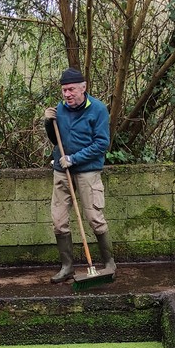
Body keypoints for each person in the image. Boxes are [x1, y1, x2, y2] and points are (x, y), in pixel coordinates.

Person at [42, 67, 115, 282]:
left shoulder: (98, 110)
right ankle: (67, 267)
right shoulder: (60, 110)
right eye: (64, 90)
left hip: (87, 172)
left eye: (71, 89)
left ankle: (109, 264)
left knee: (95, 218)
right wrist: (48, 122)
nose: (67, 94)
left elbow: (102, 143)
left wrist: (74, 159)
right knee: (58, 221)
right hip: (62, 172)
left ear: (83, 88)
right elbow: (56, 140)